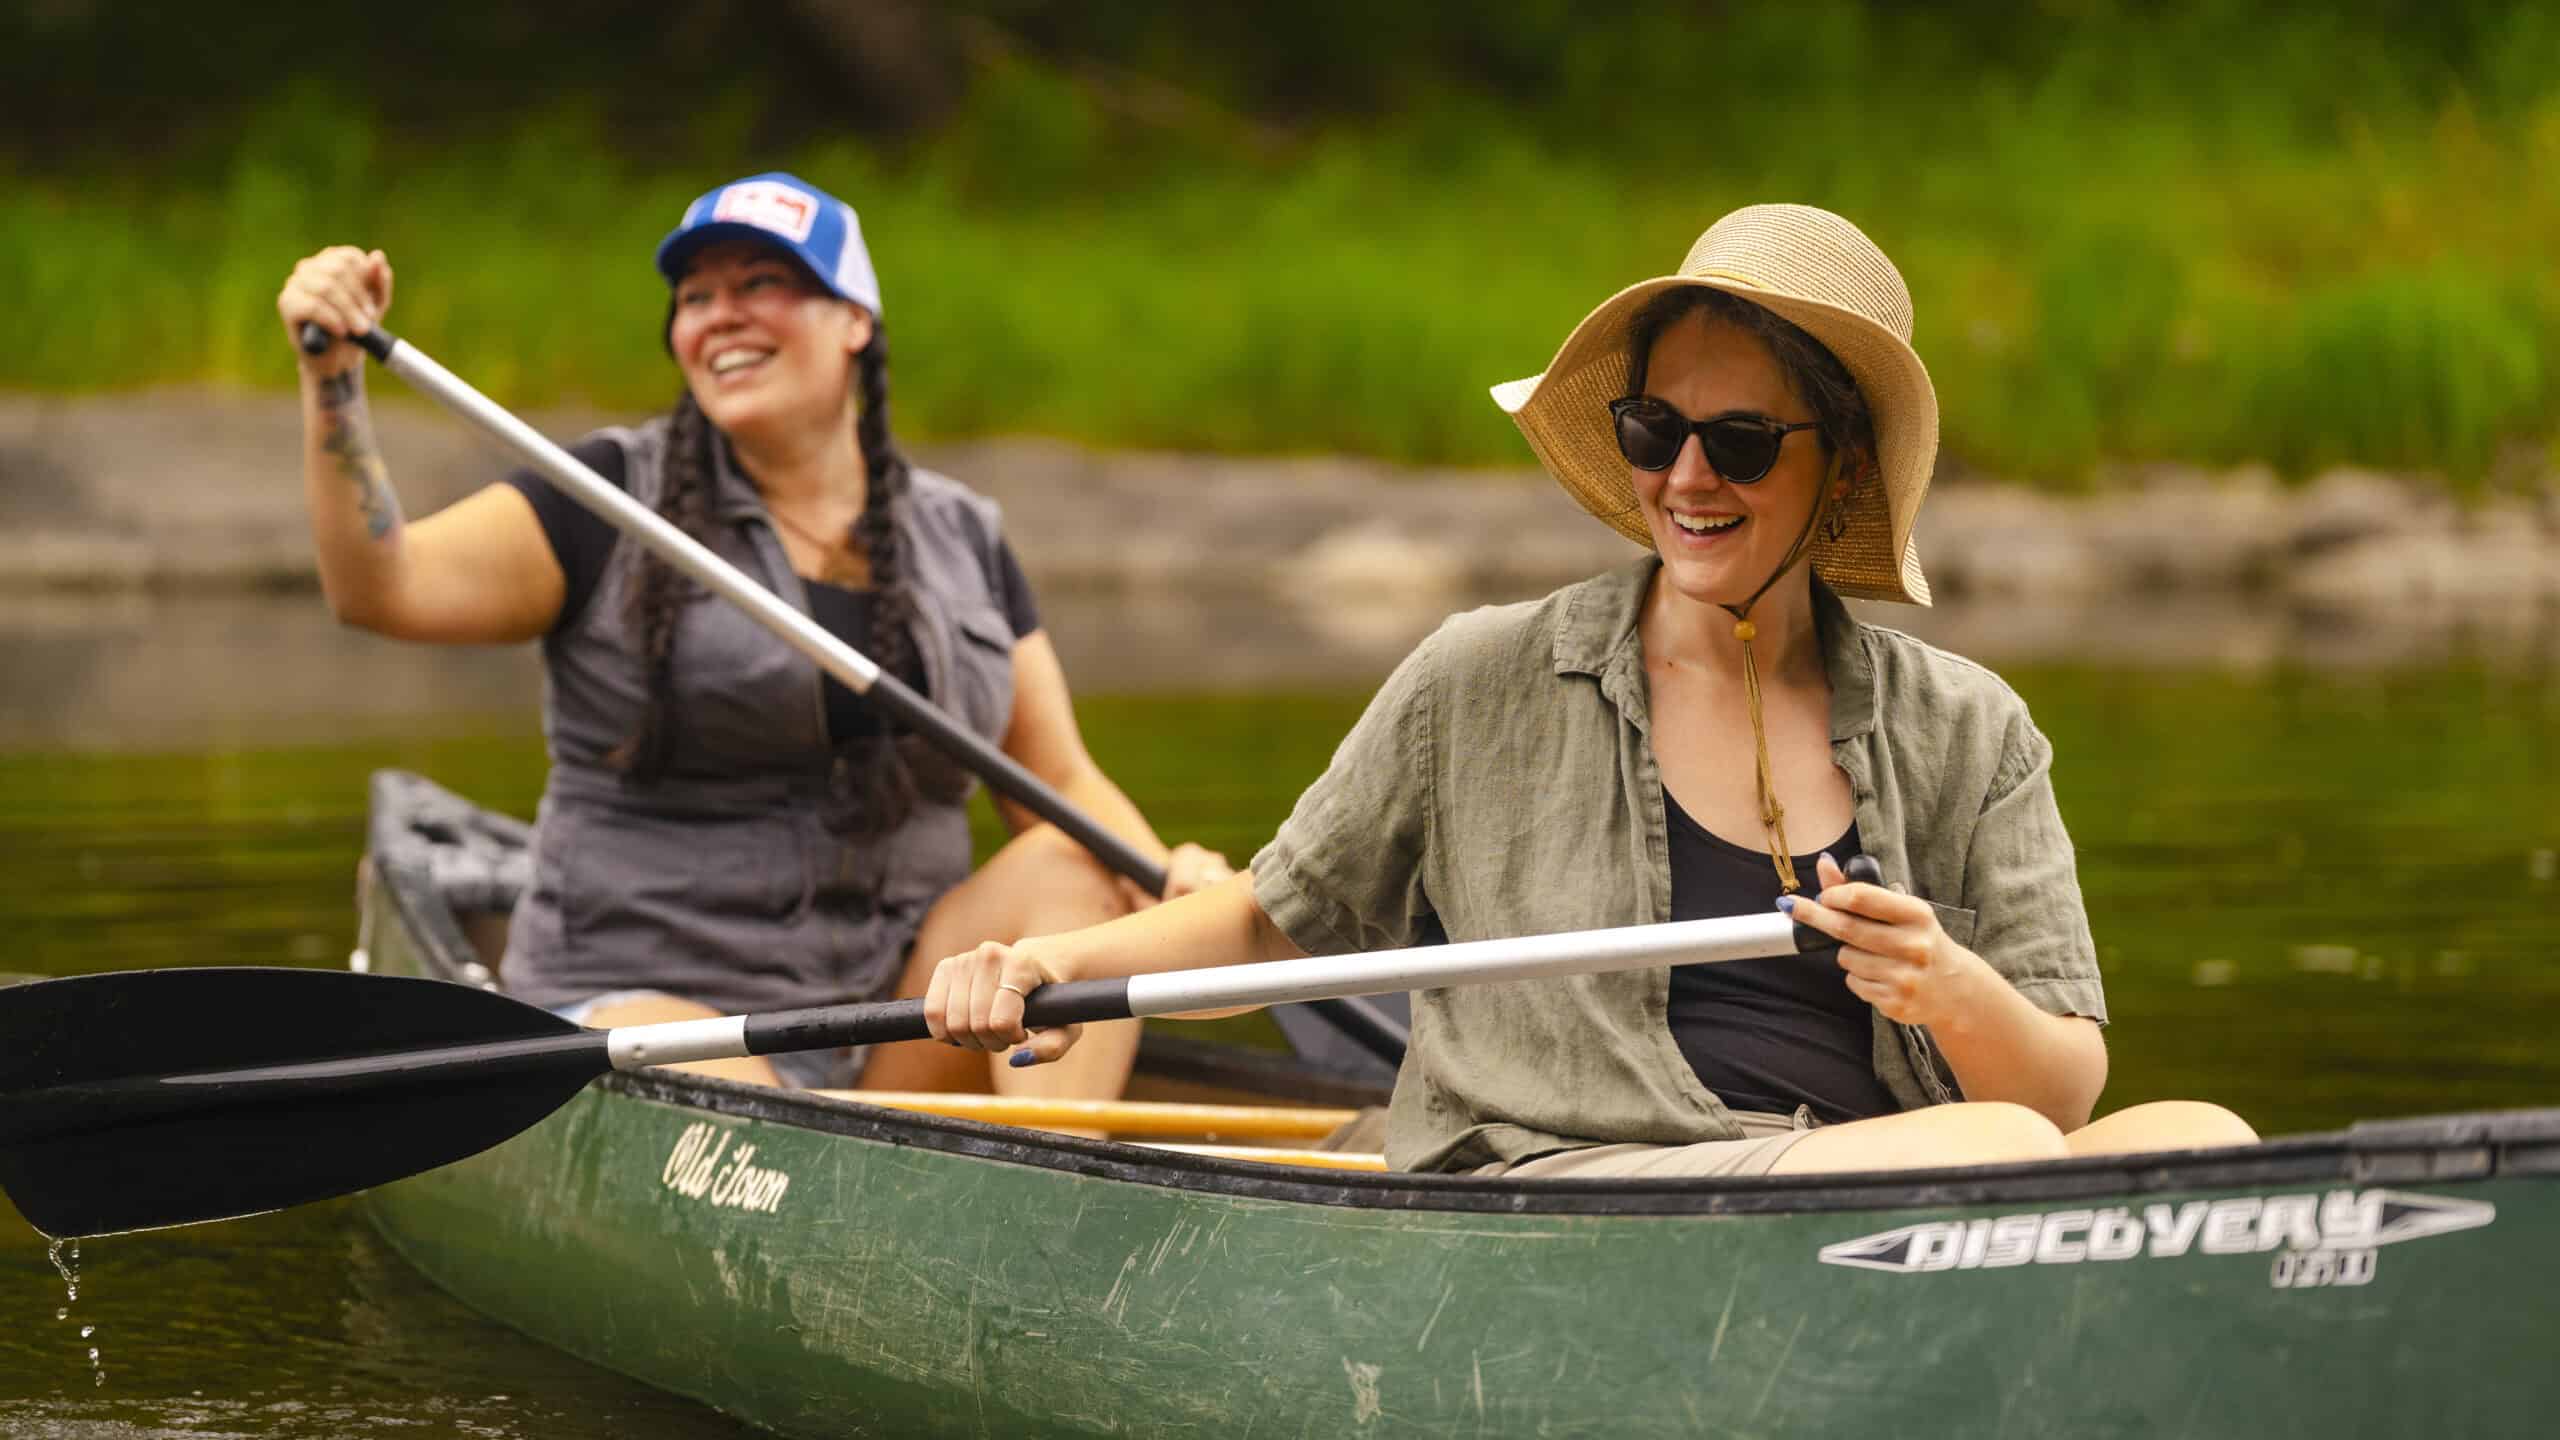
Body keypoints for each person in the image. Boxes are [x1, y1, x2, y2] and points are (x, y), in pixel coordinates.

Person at [923, 204, 2259, 1176]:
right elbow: (1278, 931)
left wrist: (1946, 985)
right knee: (1989, 1148)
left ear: (1841, 467)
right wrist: (1051, 962)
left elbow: (2065, 1097)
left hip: (1893, 1171)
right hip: (1570, 1178)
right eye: (1653, 430)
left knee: (2209, 1144)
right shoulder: (1480, 676)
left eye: (1739, 441)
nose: (1687, 478)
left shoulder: (1972, 731)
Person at [275, 171, 1230, 1097]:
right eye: (696, 297)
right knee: (719, 1075)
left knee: (1075, 867)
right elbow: (380, 587)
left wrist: (1185, 897)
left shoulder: (961, 536)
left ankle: (1062, 1189)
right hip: (655, 1014)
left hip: (894, 1022)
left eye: (762, 284)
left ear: (856, 319)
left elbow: (1059, 784)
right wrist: (333, 378)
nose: (720, 315)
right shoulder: (605, 500)